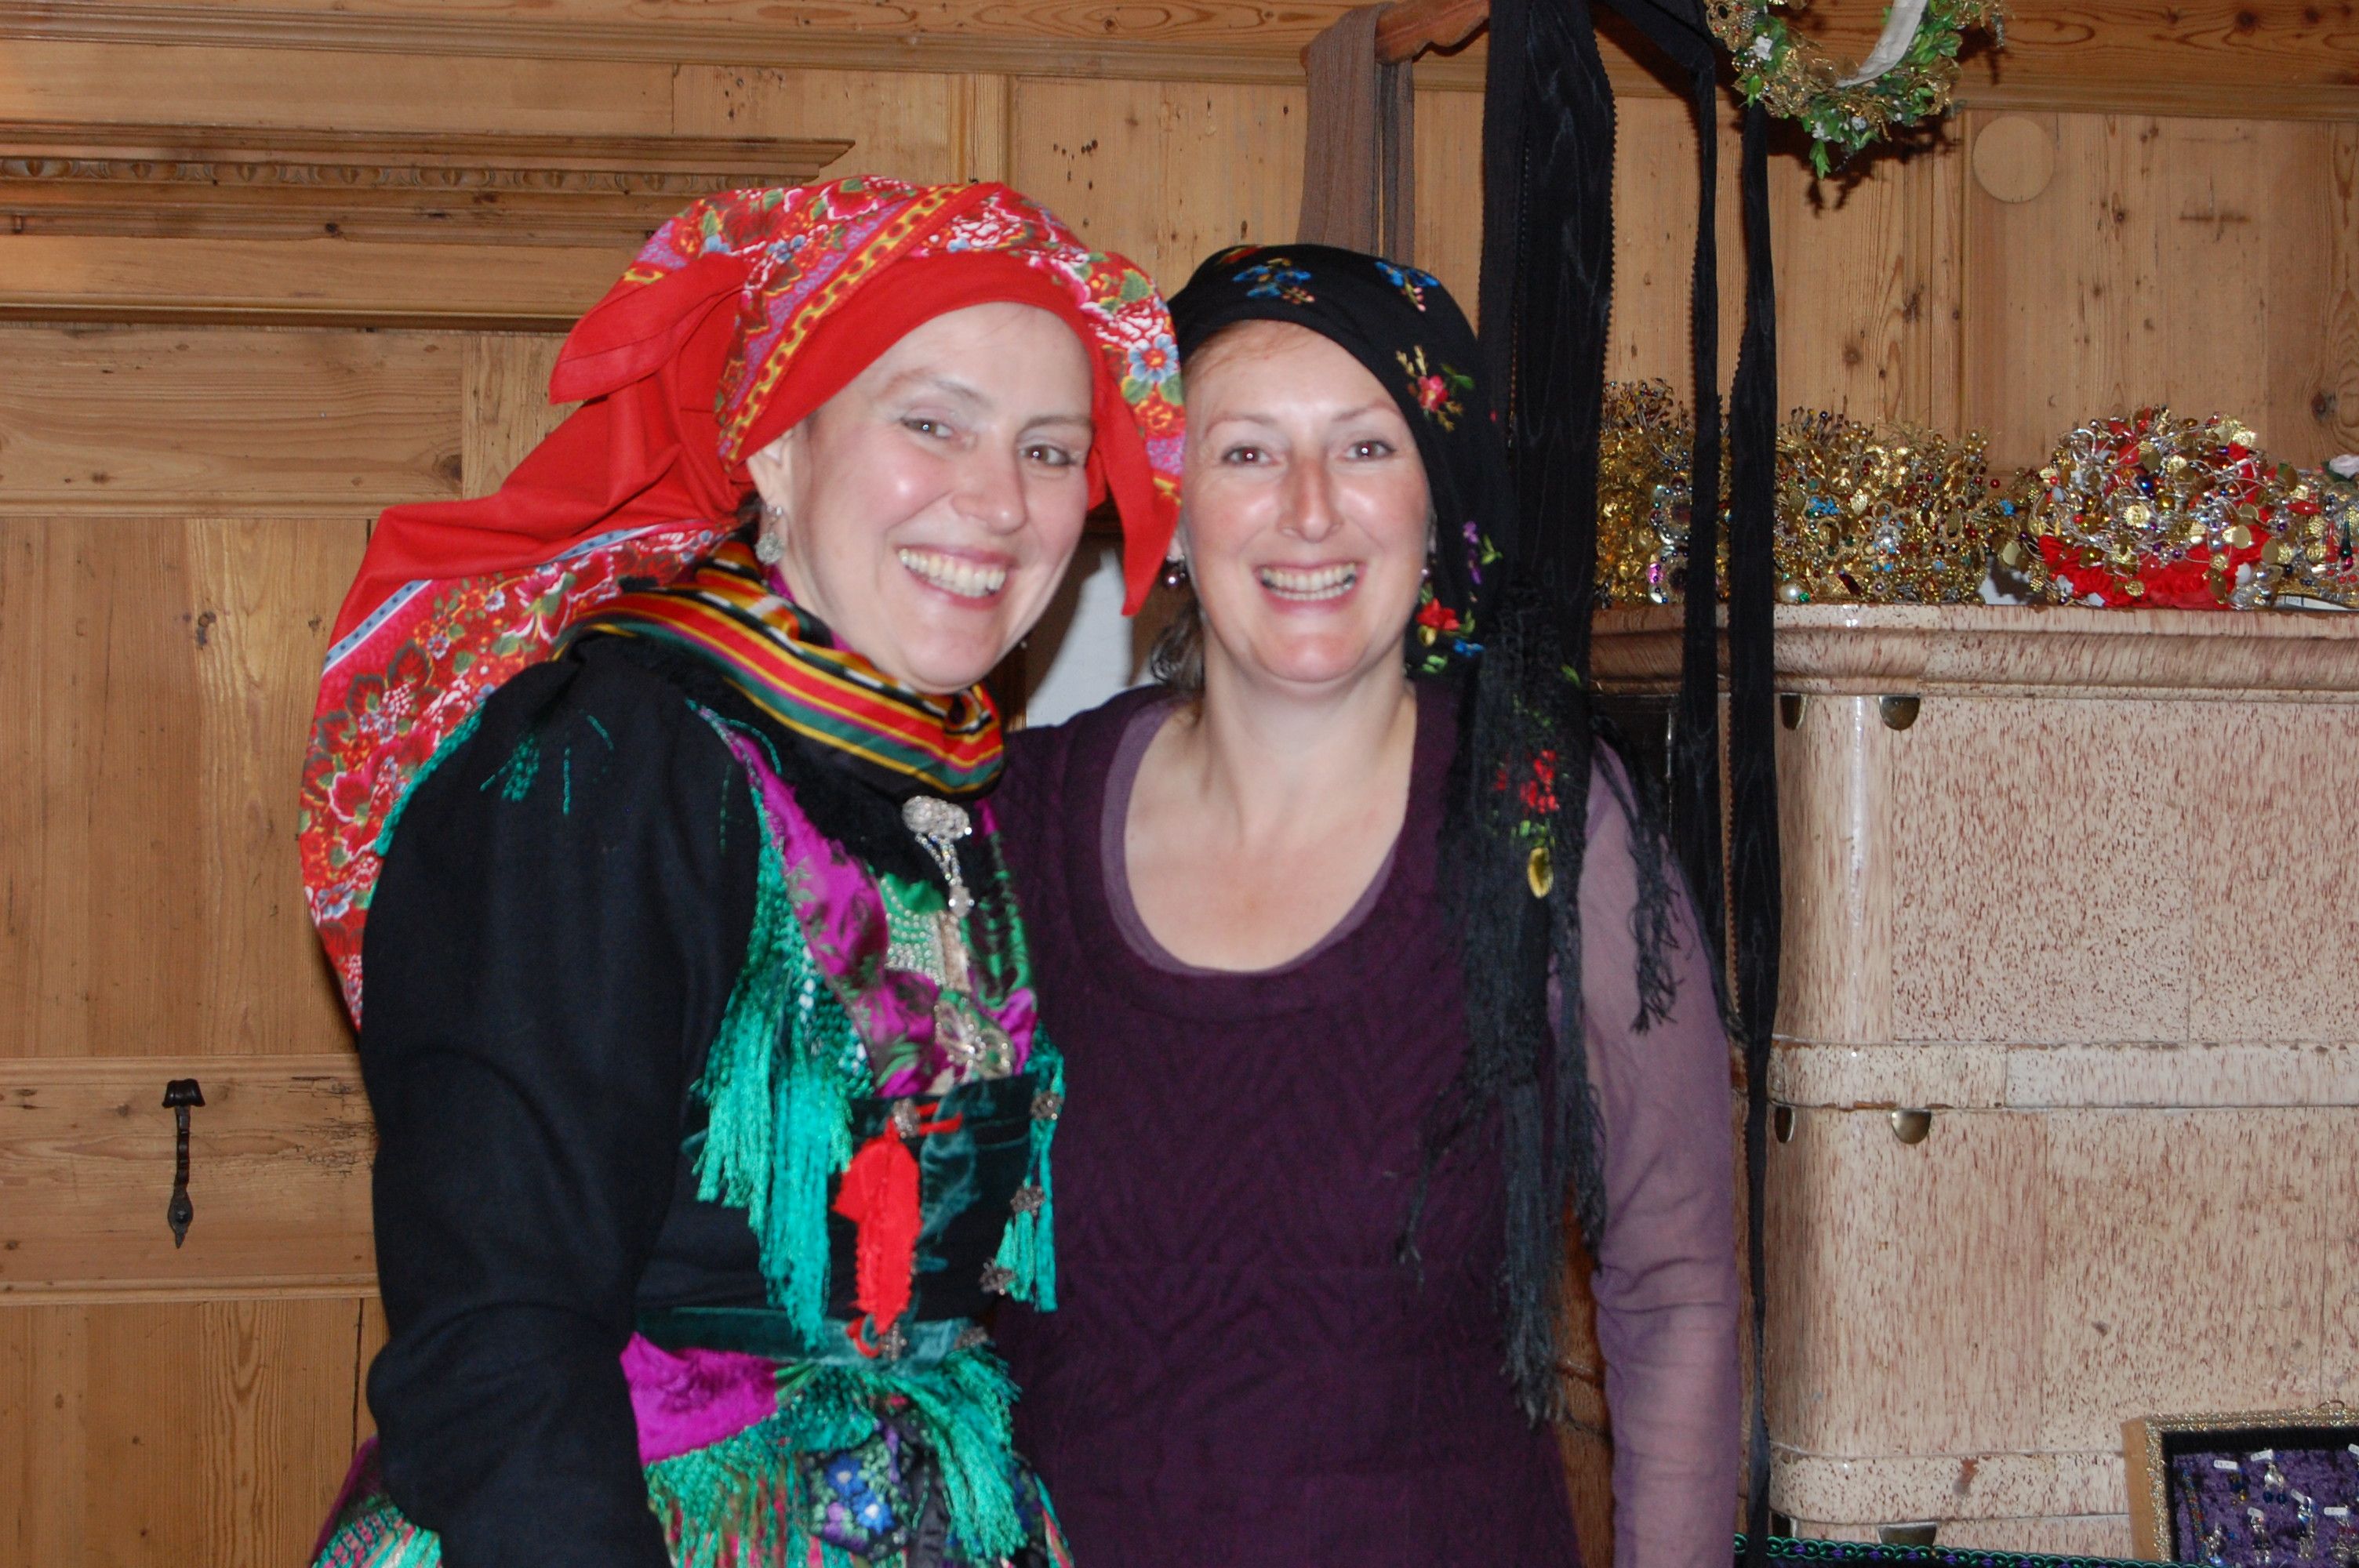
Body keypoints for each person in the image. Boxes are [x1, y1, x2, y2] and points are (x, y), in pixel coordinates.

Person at [296, 176, 1182, 1568]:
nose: (999, 502)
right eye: (932, 423)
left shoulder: (942, 786)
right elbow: (500, 1328)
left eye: (1050, 450)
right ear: (774, 449)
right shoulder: (603, 767)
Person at [990, 244, 1739, 1566]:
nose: (1311, 510)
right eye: (1247, 453)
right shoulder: (1010, 820)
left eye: (1367, 448)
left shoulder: (1550, 823)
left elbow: (1676, 1288)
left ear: (1437, 500)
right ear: (1171, 504)